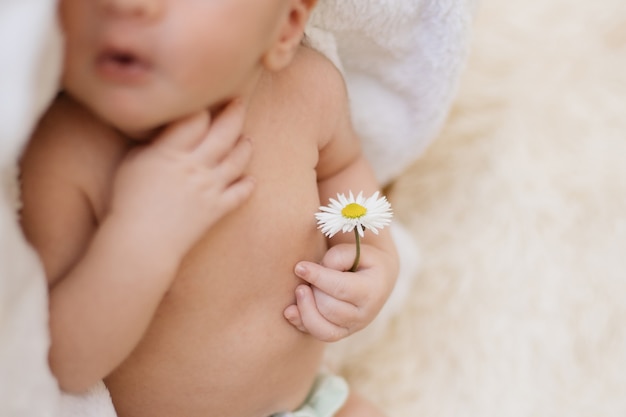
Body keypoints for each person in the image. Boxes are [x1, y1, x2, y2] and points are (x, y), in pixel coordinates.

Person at [18, 0, 399, 416]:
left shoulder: (309, 89)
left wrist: (376, 259)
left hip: (309, 402)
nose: (125, 5)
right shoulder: (64, 152)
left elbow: (345, 172)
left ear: (286, 27)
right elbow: (66, 364)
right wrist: (142, 234)